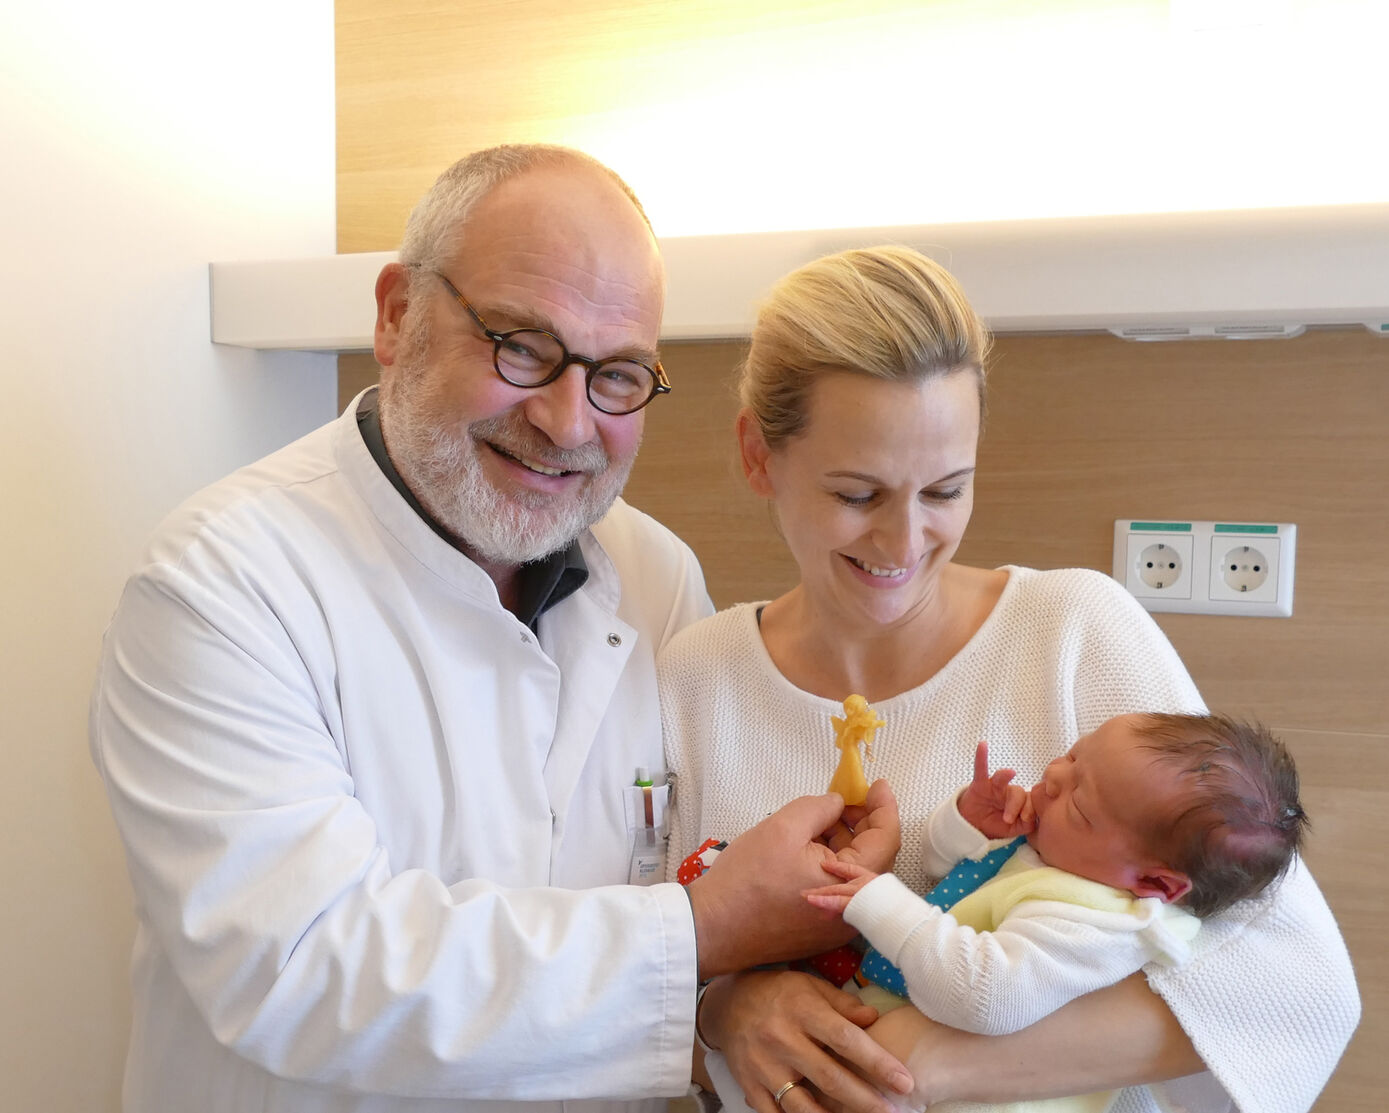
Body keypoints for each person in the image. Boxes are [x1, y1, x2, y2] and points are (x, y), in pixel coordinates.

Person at [88, 145, 913, 1113]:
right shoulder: (221, 585)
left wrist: (729, 994)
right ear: (398, 317)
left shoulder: (657, 577)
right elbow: (307, 969)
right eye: (521, 347)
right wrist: (703, 937)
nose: (568, 423)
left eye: (618, 376)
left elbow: (705, 863)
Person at [659, 245, 1359, 1113]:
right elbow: (626, 964)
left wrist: (928, 1061)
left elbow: (1291, 989)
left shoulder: (1072, 633)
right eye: (857, 494)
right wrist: (723, 1011)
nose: (903, 541)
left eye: (945, 490)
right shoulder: (693, 676)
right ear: (758, 457)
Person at [807, 713, 1305, 1056]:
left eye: (1079, 805)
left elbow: (984, 996)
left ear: (1154, 881)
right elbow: (944, 880)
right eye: (1072, 757)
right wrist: (970, 825)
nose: (1051, 775)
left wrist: (882, 906)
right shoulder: (1055, 853)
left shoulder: (1098, 923)